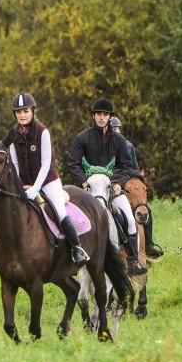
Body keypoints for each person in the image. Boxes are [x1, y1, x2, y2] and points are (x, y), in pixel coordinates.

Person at [4, 92, 89, 266]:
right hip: (25, 183)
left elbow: (45, 163)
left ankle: (77, 249)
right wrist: (20, 187)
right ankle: (1, 253)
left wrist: (36, 188)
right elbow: (14, 164)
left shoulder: (43, 132)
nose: (22, 115)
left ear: (33, 111)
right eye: (18, 112)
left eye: (25, 111)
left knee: (59, 211)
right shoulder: (13, 135)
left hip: (48, 181)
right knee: (8, 211)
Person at [67, 98, 147, 275]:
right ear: (94, 116)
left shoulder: (118, 140)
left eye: (105, 115)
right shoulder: (83, 138)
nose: (102, 118)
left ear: (109, 117)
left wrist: (118, 184)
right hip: (88, 189)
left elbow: (126, 165)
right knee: (69, 218)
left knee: (130, 219)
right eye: (99, 114)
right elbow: (72, 162)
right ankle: (73, 256)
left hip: (112, 189)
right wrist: (82, 180)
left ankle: (133, 262)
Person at [110, 116, 163, 259]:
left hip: (127, 179)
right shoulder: (104, 145)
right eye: (112, 129)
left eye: (116, 129)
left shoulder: (127, 146)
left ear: (120, 129)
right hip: (108, 180)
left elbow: (135, 168)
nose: (115, 131)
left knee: (146, 209)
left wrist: (132, 176)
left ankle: (149, 246)